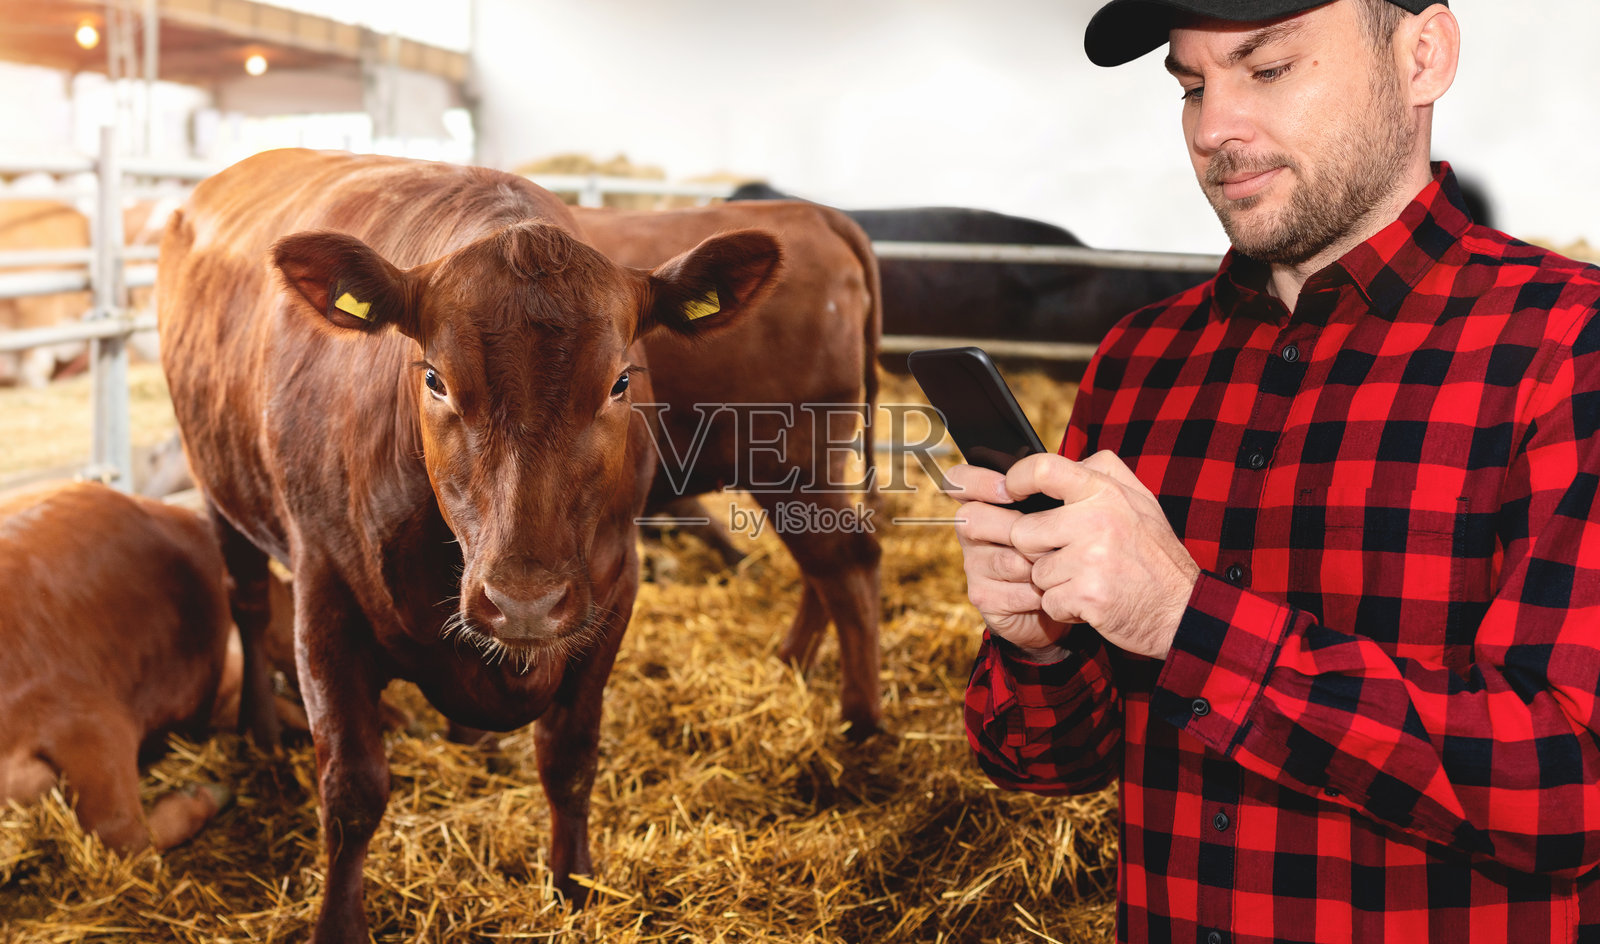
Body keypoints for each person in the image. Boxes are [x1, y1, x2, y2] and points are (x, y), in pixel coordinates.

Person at [947, 1, 1600, 942]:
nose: (1214, 129)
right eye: (1192, 84)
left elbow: (1567, 791)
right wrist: (1039, 642)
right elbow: (1044, 763)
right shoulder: (1140, 362)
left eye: (1270, 69)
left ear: (1422, 58)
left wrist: (1183, 618)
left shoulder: (1568, 350)